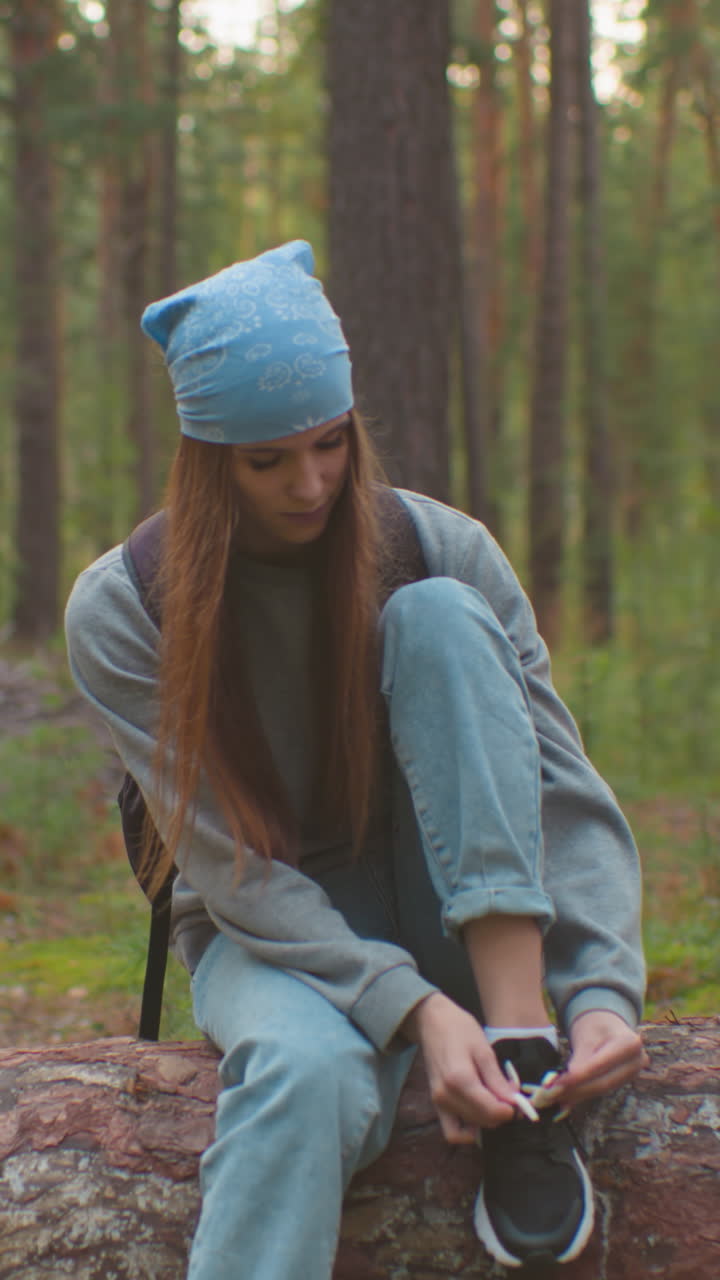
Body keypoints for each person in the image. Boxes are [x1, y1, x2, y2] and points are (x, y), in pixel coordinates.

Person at [65, 240, 646, 1277]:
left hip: (459, 899)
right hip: (272, 928)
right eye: (267, 458)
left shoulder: (440, 546)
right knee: (299, 1074)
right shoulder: (124, 609)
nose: (311, 482)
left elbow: (560, 788)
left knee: (437, 619)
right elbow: (227, 872)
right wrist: (412, 1006)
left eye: (331, 442)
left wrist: (599, 988)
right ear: (206, 456)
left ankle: (522, 1069)